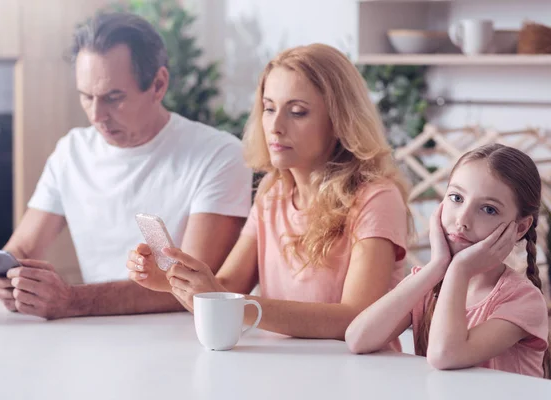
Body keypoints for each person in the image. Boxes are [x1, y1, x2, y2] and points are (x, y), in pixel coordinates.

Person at [126, 43, 411, 342]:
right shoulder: (272, 192)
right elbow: (225, 287)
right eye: (269, 108)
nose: (275, 126)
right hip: (278, 374)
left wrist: (222, 298)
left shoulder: (377, 198)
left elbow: (356, 319)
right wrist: (173, 281)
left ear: (339, 121)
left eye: (297, 112)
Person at [0, 12, 252, 319]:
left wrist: (72, 300)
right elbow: (24, 249)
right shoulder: (72, 151)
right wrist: (10, 277)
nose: (97, 115)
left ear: (159, 84)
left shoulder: (218, 155)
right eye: (86, 96)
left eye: (113, 97)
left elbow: (194, 287)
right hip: (96, 337)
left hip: (181, 340)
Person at [346, 144, 551, 379]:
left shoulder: (523, 301)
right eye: (456, 198)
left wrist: (460, 270)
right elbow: (358, 339)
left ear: (520, 228)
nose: (462, 219)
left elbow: (445, 355)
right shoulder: (428, 282)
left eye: (488, 209)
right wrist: (436, 267)